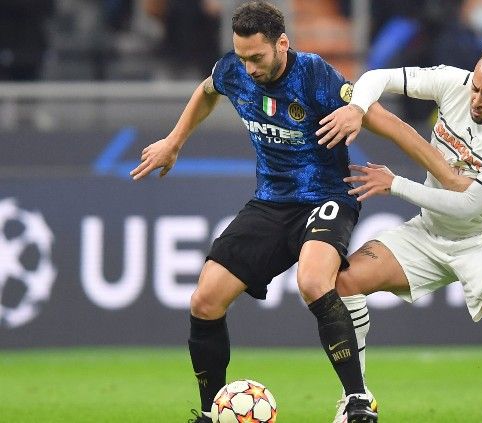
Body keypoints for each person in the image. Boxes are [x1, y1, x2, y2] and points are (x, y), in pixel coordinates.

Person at [129, 2, 389, 421]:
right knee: (205, 300)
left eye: (257, 57)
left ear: (281, 43)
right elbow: (207, 89)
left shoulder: (314, 73)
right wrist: (174, 141)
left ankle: (358, 399)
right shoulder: (234, 69)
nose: (248, 68)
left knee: (313, 281)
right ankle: (214, 412)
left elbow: (379, 119)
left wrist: (432, 171)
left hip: (326, 197)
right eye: (242, 56)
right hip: (271, 202)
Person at [317, 41, 482, 423]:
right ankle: (355, 396)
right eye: (476, 88)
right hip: (429, 232)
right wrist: (357, 108)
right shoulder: (454, 82)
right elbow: (376, 77)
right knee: (345, 282)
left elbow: (468, 205)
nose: (476, 101)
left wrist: (397, 185)